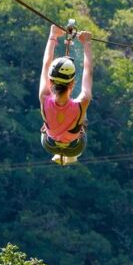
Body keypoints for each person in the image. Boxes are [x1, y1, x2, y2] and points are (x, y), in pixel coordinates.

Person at [39, 25, 93, 165]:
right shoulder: (82, 102)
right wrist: (86, 42)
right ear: (72, 83)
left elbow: (46, 65)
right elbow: (88, 72)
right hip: (75, 148)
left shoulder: (44, 96)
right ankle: (70, 156)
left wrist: (53, 36)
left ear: (50, 81)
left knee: (53, 115)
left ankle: (58, 151)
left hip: (49, 144)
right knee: (83, 116)